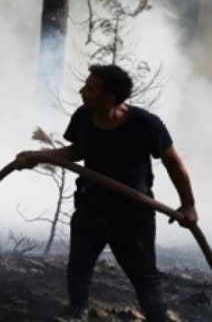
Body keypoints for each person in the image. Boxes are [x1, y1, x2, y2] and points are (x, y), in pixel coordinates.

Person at [16, 64, 199, 322]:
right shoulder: (83, 116)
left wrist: (188, 205)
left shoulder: (146, 125)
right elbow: (75, 152)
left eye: (90, 88)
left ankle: (158, 317)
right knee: (79, 268)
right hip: (91, 208)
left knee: (144, 275)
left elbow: (175, 164)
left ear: (110, 98)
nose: (82, 91)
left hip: (133, 215)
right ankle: (76, 313)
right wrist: (37, 156)